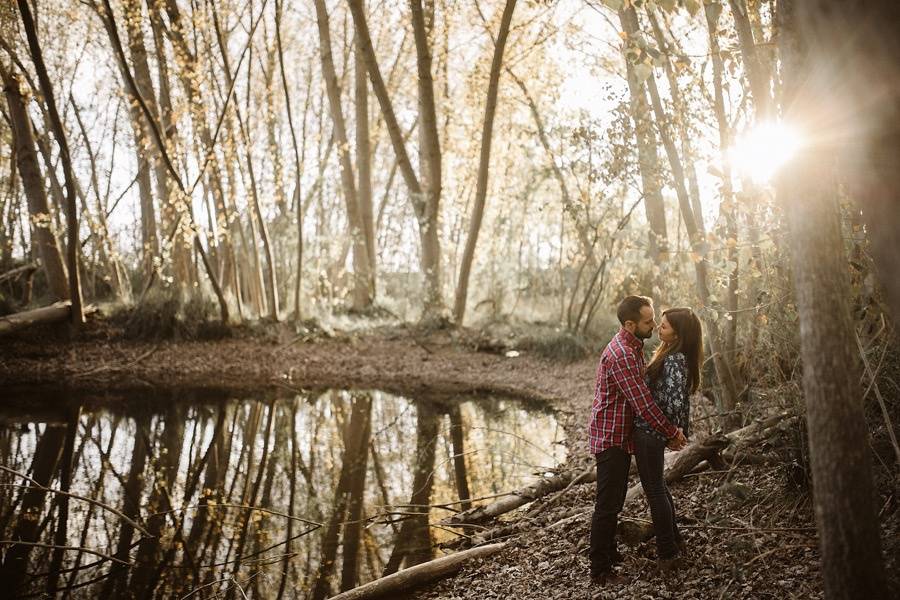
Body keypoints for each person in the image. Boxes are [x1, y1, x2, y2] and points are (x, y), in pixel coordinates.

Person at [587, 295, 687, 586]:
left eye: (654, 318)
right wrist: (671, 432)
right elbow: (642, 403)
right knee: (607, 506)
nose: (654, 324)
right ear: (630, 325)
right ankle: (600, 571)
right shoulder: (621, 355)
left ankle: (609, 552)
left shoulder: (633, 347)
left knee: (614, 502)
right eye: (648, 321)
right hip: (611, 437)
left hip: (620, 434)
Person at [633, 307, 702, 573]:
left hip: (649, 433)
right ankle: (674, 540)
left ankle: (667, 552)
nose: (658, 329)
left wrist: (674, 432)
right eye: (659, 324)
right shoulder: (670, 354)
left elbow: (676, 402)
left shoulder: (675, 360)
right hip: (651, 432)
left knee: (655, 491)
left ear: (677, 334)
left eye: (664, 326)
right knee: (658, 487)